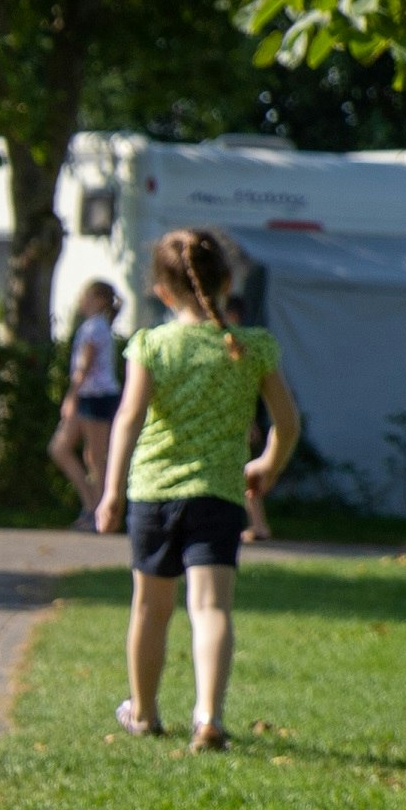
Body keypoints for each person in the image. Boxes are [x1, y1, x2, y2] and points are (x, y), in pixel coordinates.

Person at [95, 224, 300, 752]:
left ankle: (143, 713)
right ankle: (208, 716)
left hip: (154, 495)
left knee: (150, 608)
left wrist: (111, 490)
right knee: (210, 609)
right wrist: (267, 466)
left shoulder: (153, 345)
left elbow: (128, 418)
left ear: (162, 292)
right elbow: (287, 423)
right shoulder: (251, 347)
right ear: (230, 281)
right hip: (219, 496)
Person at [48, 278, 124, 527]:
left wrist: (71, 396)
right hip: (91, 395)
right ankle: (92, 503)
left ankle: (99, 513)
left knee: (96, 457)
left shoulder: (95, 327)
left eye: (87, 296)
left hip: (96, 396)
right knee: (61, 448)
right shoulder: (96, 326)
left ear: (99, 301)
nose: (82, 300)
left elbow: (84, 367)